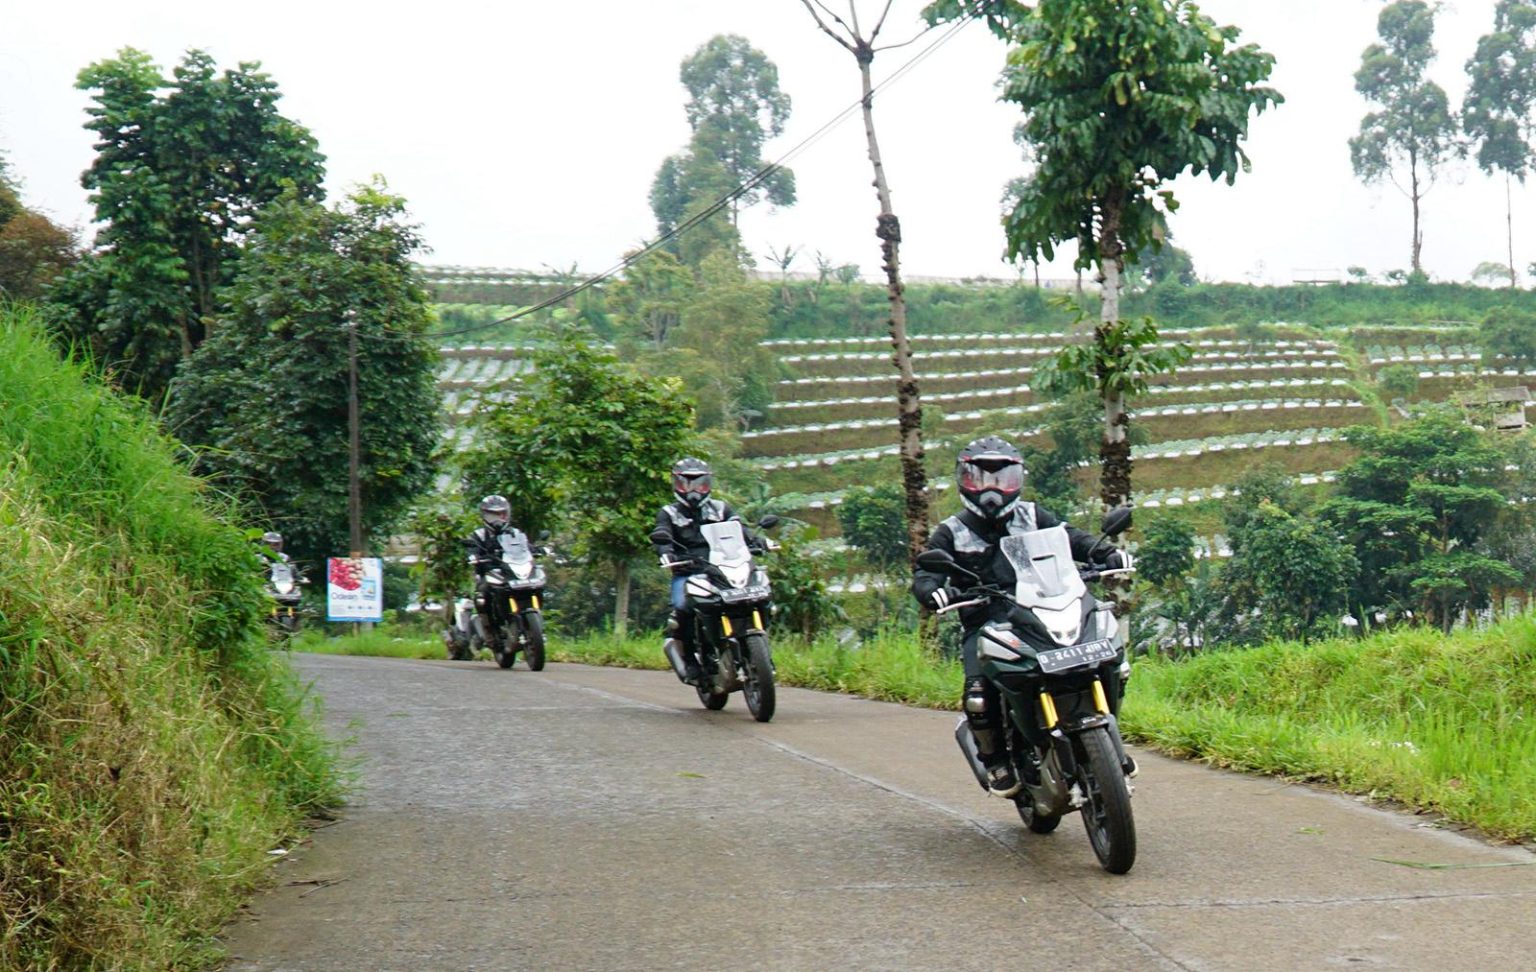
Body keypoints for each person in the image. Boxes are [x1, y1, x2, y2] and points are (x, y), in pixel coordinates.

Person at [911, 436, 1130, 797]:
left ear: (1018, 480)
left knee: (1107, 657)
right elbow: (927, 571)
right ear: (964, 480)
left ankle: (1108, 739)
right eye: (981, 478)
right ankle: (995, 760)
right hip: (987, 621)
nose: (992, 489)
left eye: (1003, 478)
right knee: (978, 693)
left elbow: (1073, 539)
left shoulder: (1034, 516)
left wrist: (1106, 553)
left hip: (1043, 610)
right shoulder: (952, 531)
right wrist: (933, 590)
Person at [651, 457, 757, 683]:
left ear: (708, 484)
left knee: (752, 594)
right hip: (687, 571)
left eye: (700, 483)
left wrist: (759, 541)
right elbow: (662, 535)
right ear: (676, 485)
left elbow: (740, 528)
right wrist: (665, 552)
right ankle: (689, 659)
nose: (693, 490)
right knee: (682, 607)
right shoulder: (669, 513)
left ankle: (752, 646)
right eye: (686, 483)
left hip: (721, 569)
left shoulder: (721, 508)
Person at [463, 494, 528, 649]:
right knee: (481, 596)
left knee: (529, 586)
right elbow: (471, 548)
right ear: (485, 515)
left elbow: (526, 548)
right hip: (488, 573)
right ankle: (489, 630)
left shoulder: (515, 533)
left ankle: (526, 622)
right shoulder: (479, 535)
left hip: (510, 572)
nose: (498, 518)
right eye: (493, 514)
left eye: (501, 513)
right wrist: (473, 556)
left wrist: (539, 549)